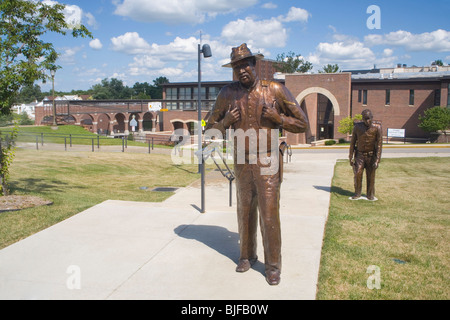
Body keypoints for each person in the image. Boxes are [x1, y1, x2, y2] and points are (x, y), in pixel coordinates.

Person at [206, 43, 308, 285]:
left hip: (268, 159)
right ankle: (246, 255)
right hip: (241, 160)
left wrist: (278, 118)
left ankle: (273, 266)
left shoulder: (275, 90)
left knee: (269, 213)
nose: (241, 70)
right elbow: (209, 129)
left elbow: (302, 124)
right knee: (245, 210)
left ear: (255, 65)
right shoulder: (227, 94)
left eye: (245, 65)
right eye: (236, 67)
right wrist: (226, 122)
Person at [349, 109, 382, 201]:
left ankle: (370, 194)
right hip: (359, 155)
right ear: (362, 119)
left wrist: (377, 160)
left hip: (371, 156)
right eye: (365, 119)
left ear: (372, 118)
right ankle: (357, 193)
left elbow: (379, 145)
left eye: (369, 119)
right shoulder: (357, 127)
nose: (367, 121)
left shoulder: (377, 127)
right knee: (358, 173)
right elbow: (352, 143)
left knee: (371, 176)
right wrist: (350, 156)